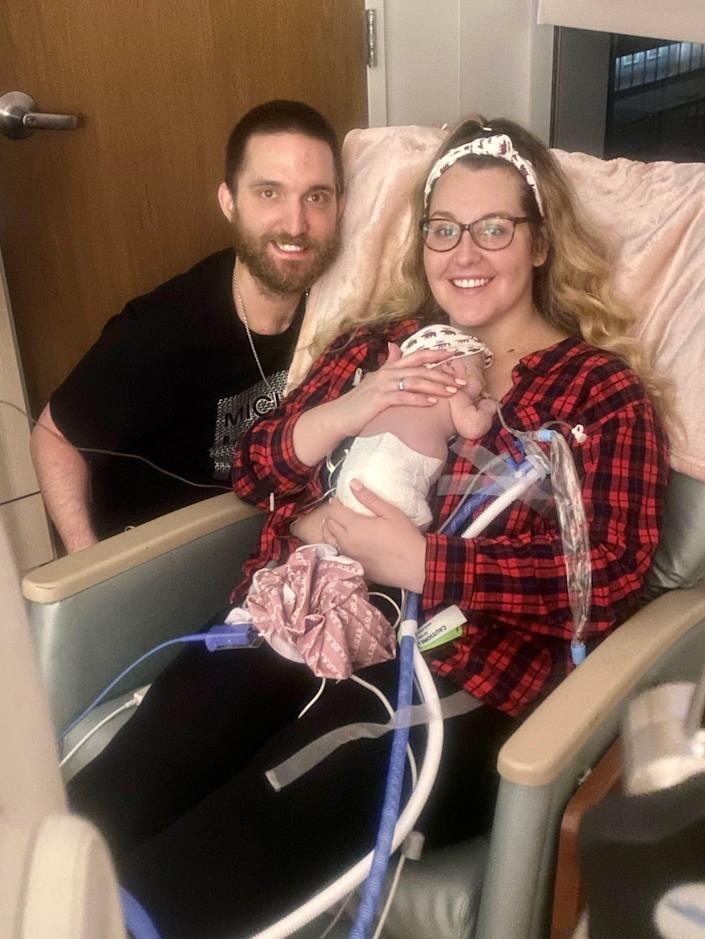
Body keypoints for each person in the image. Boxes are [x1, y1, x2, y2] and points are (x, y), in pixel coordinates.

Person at [67, 116, 669, 939]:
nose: (464, 253)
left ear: (538, 242)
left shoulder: (595, 396)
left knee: (303, 775)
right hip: (297, 614)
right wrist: (351, 415)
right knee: (146, 761)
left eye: (494, 227)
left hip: (456, 674)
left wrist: (423, 561)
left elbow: (603, 580)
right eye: (443, 229)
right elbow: (257, 471)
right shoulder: (378, 348)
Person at [30, 100, 344, 552]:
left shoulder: (340, 307)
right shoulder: (165, 329)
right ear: (230, 203)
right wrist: (92, 567)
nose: (295, 224)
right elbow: (53, 437)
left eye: (315, 197)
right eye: (269, 193)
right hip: (162, 546)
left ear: (339, 208)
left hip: (265, 530)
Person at [334, 323, 496, 530]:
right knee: (413, 526)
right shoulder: (452, 393)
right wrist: (486, 408)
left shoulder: (394, 393)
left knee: (353, 531)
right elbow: (473, 427)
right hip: (394, 472)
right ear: (451, 367)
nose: (484, 385)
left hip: (352, 474)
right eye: (479, 372)